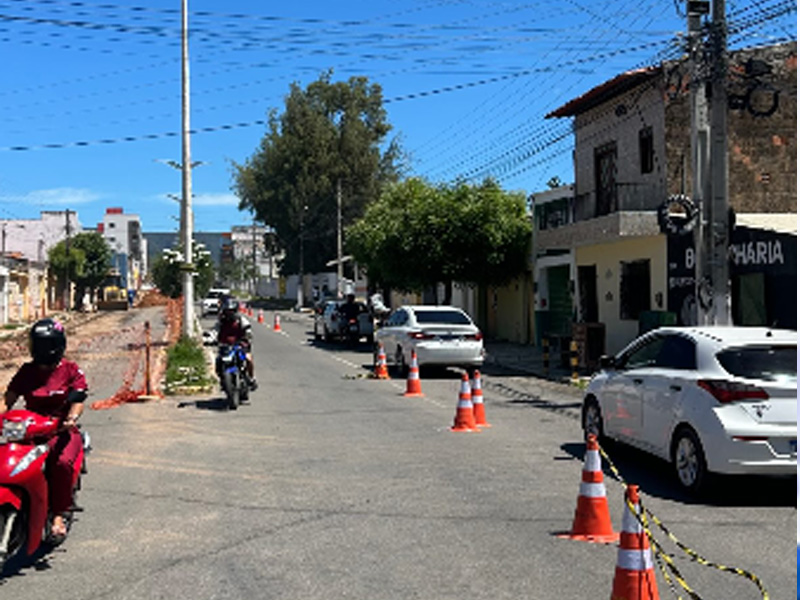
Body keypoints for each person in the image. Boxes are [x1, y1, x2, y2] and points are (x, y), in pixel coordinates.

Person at [2, 318, 87, 539]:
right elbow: (8, 399)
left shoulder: (70, 369)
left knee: (60, 463)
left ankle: (58, 515)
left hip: (61, 429)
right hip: (30, 428)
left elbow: (78, 399)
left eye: (45, 345)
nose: (40, 349)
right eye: (37, 344)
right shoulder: (27, 371)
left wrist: (72, 417)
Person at [217, 297, 257, 390]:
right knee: (218, 361)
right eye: (227, 311)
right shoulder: (222, 321)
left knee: (248, 359)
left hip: (240, 345)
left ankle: (251, 378)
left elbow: (248, 330)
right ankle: (222, 379)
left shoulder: (241, 320)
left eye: (231, 311)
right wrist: (208, 338)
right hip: (226, 346)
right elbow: (215, 331)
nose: (229, 313)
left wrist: (247, 337)